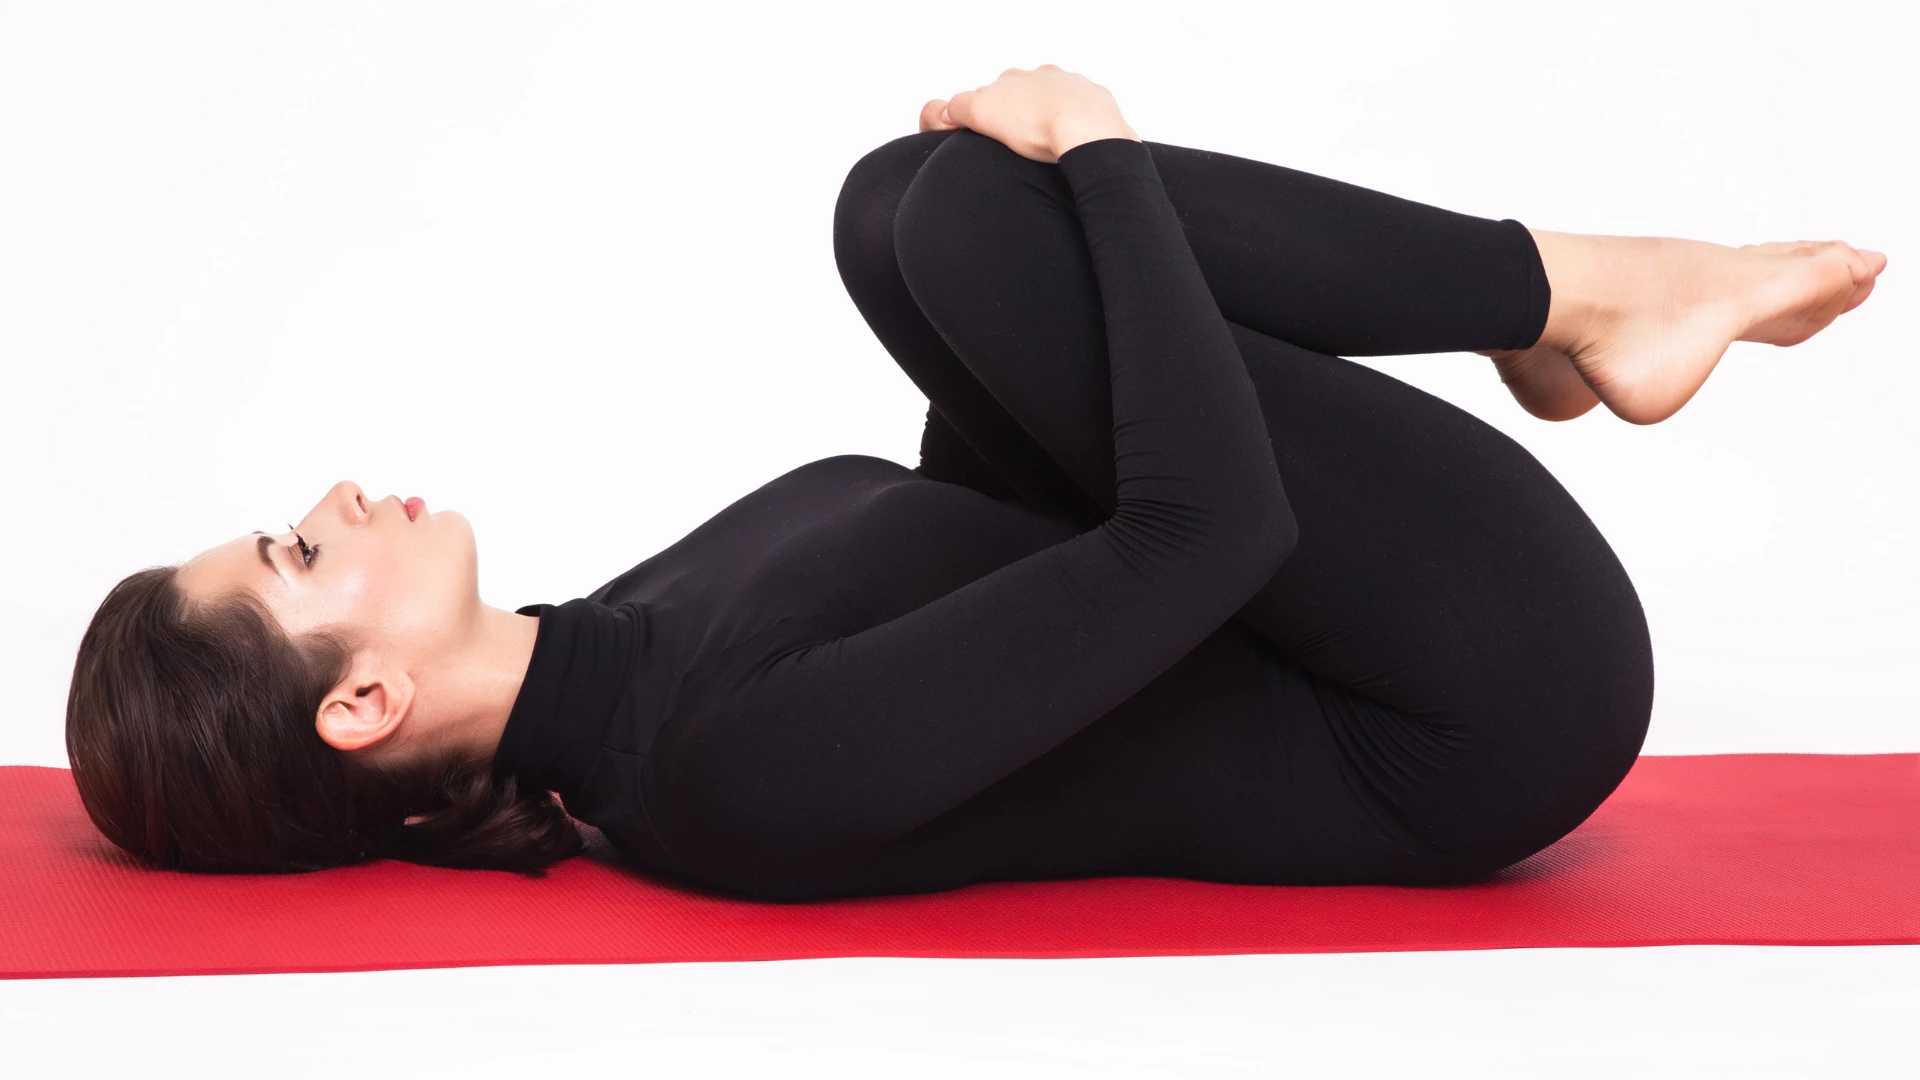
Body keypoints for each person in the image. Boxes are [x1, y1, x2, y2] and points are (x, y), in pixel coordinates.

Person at [64, 67, 1886, 901]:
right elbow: (1199, 536)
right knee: (981, 217)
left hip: (1328, 615)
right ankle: (1606, 295)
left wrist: (996, 276)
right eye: (298, 551)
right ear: (363, 703)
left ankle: (1589, 307)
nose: (340, 495)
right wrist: (1104, 166)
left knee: (897, 210)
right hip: (1468, 705)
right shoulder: (720, 768)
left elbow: (1005, 546)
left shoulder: (607, 646)